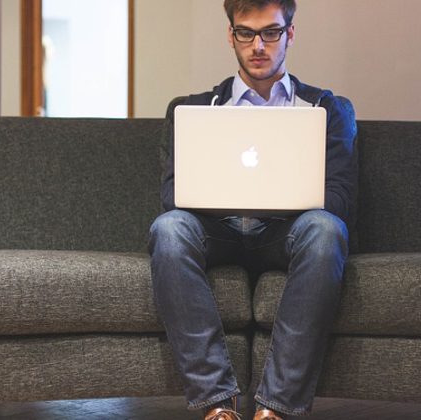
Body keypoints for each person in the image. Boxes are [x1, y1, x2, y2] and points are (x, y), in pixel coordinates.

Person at [148, 0, 358, 419]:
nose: (258, 45)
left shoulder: (326, 109)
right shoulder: (192, 110)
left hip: (288, 234)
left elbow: (340, 202)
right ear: (230, 35)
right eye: (246, 32)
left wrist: (284, 200)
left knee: (326, 229)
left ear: (290, 34)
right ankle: (216, 407)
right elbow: (173, 196)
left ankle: (275, 409)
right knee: (169, 229)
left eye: (272, 32)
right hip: (219, 230)